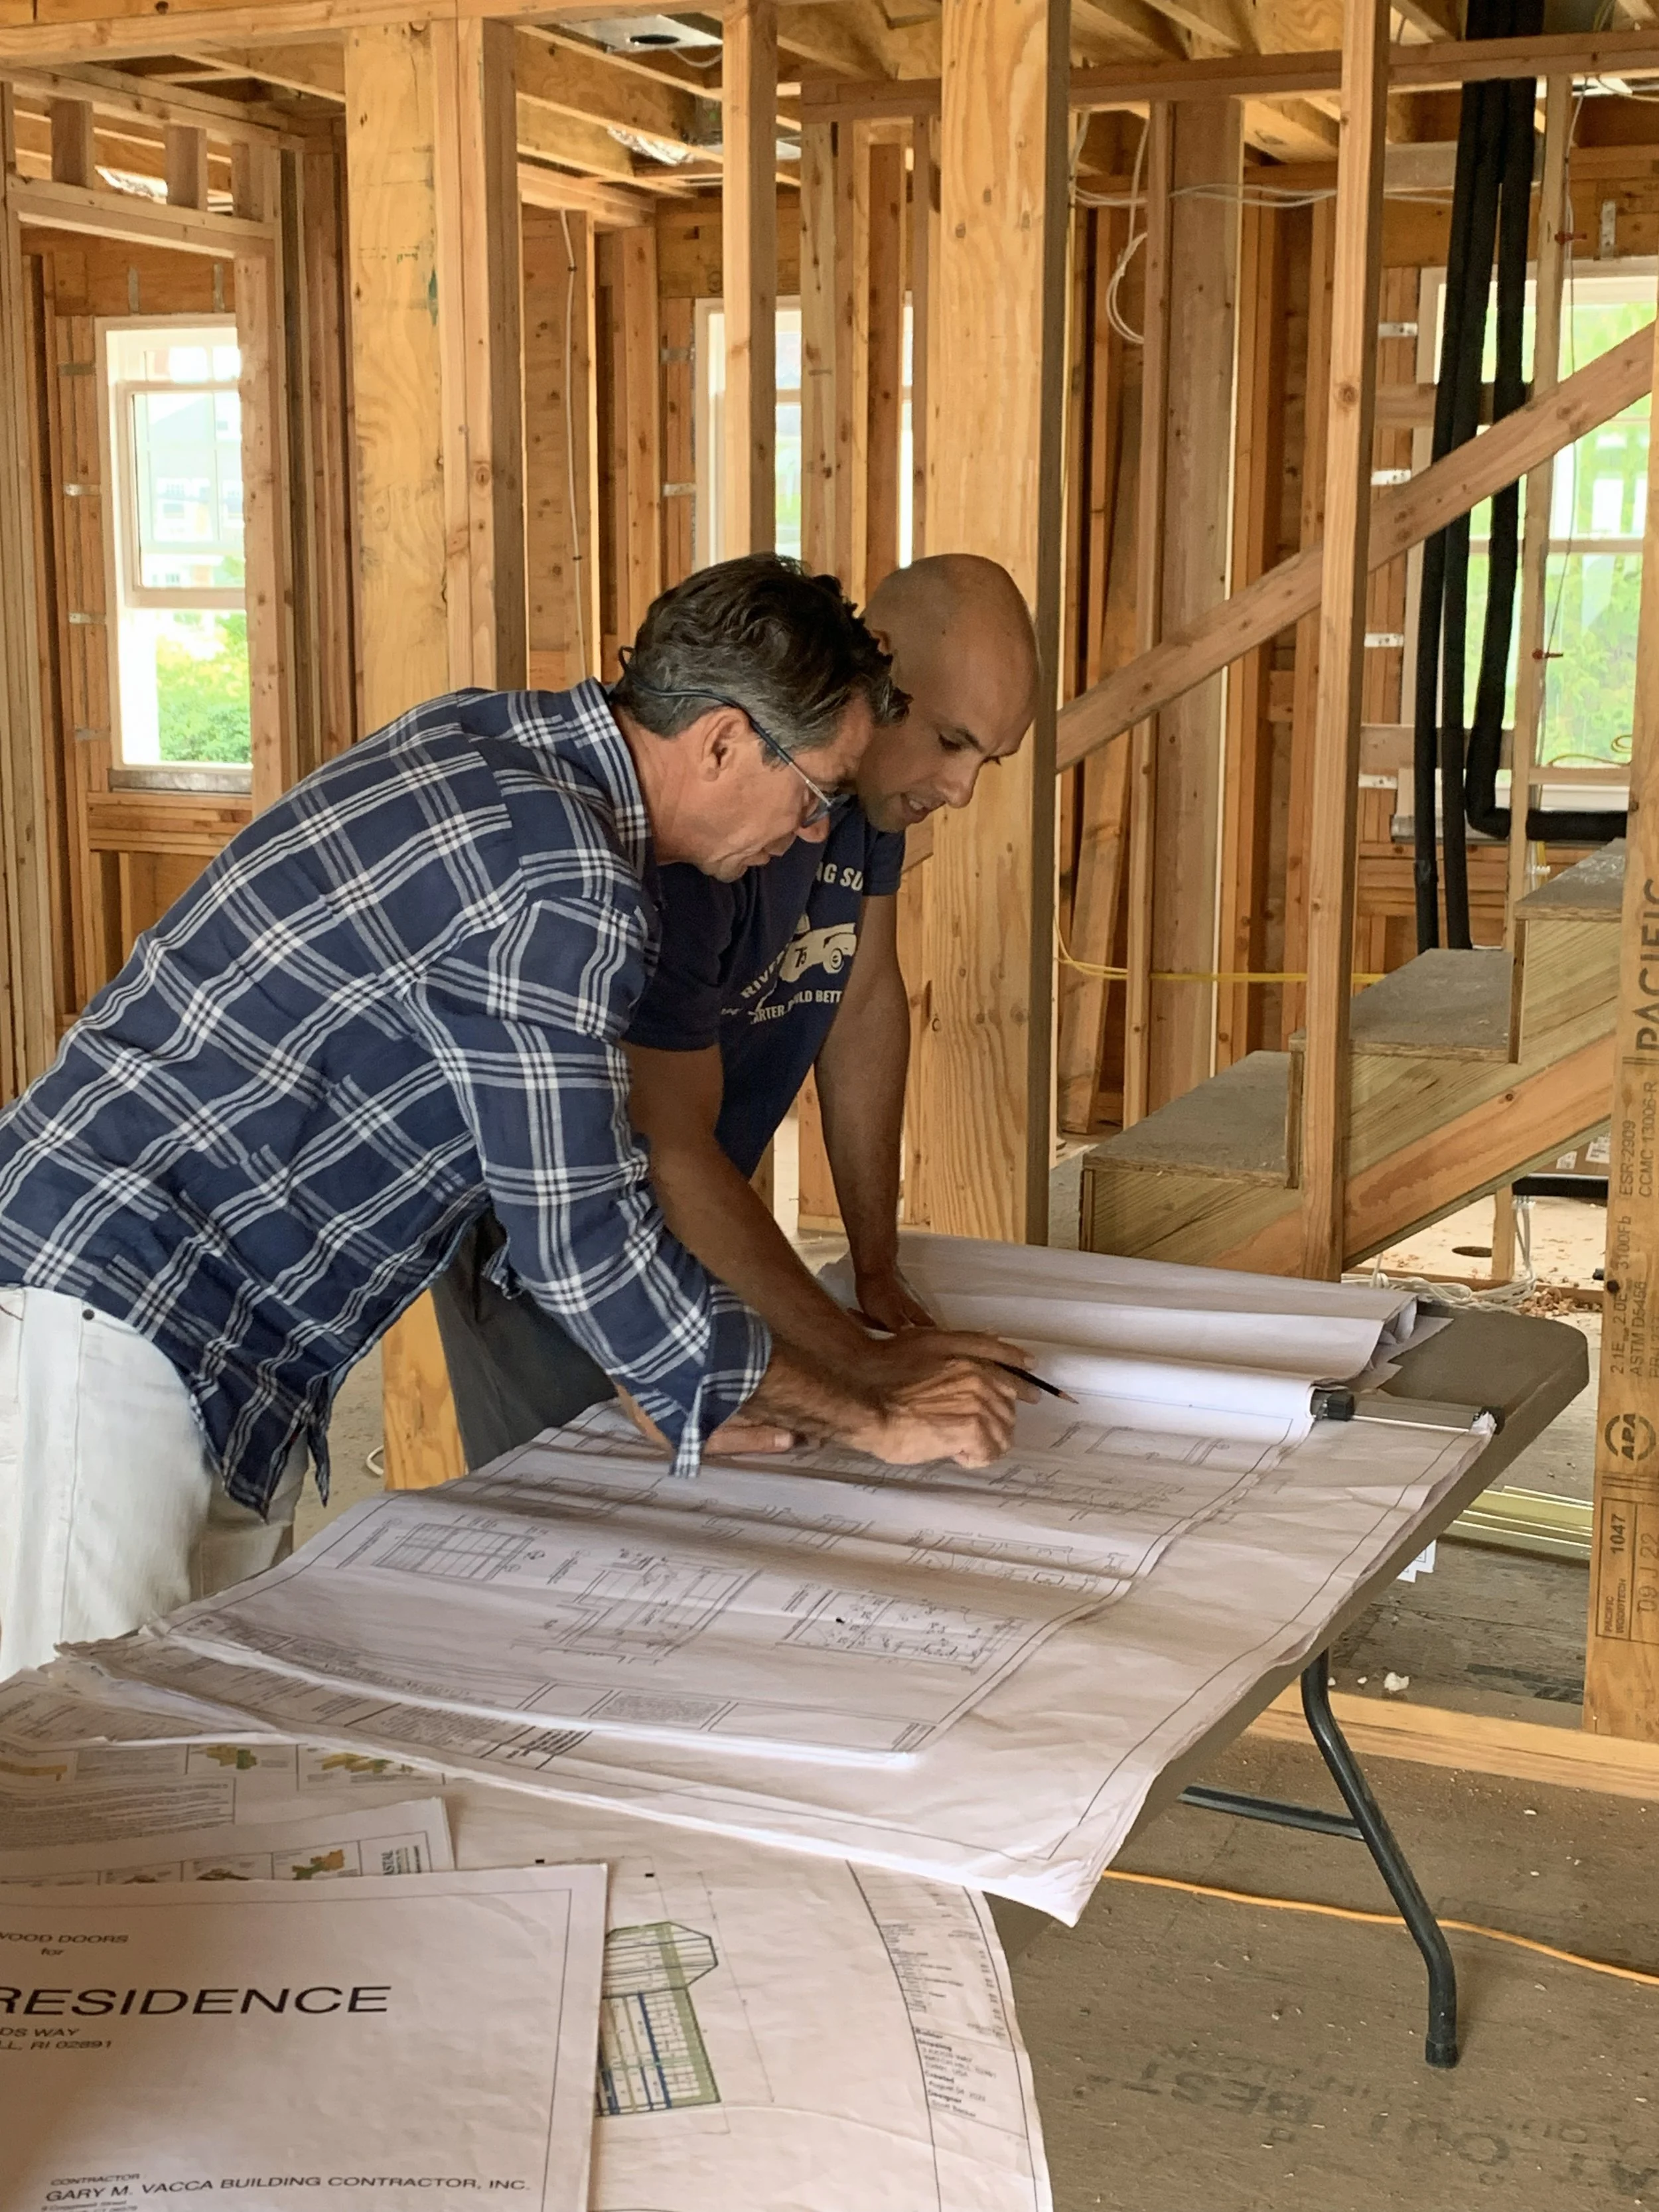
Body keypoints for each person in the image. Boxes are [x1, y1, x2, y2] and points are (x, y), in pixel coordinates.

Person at [0, 555, 1027, 1676]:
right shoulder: (565, 875)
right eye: (817, 792)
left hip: (228, 1345)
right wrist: (866, 1413)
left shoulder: (498, 744)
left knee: (189, 1737)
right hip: (119, 1312)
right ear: (725, 741)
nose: (820, 832)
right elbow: (585, 1245)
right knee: (73, 1752)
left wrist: (690, 1370)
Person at [435, 552, 1041, 1468]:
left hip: (681, 1216)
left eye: (988, 760)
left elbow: (861, 999)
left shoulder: (861, 808)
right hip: (556, 1232)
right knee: (576, 1515)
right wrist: (859, 1372)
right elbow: (657, 1150)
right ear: (876, 675)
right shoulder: (698, 841)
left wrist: (875, 1273)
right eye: (952, 742)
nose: (962, 792)